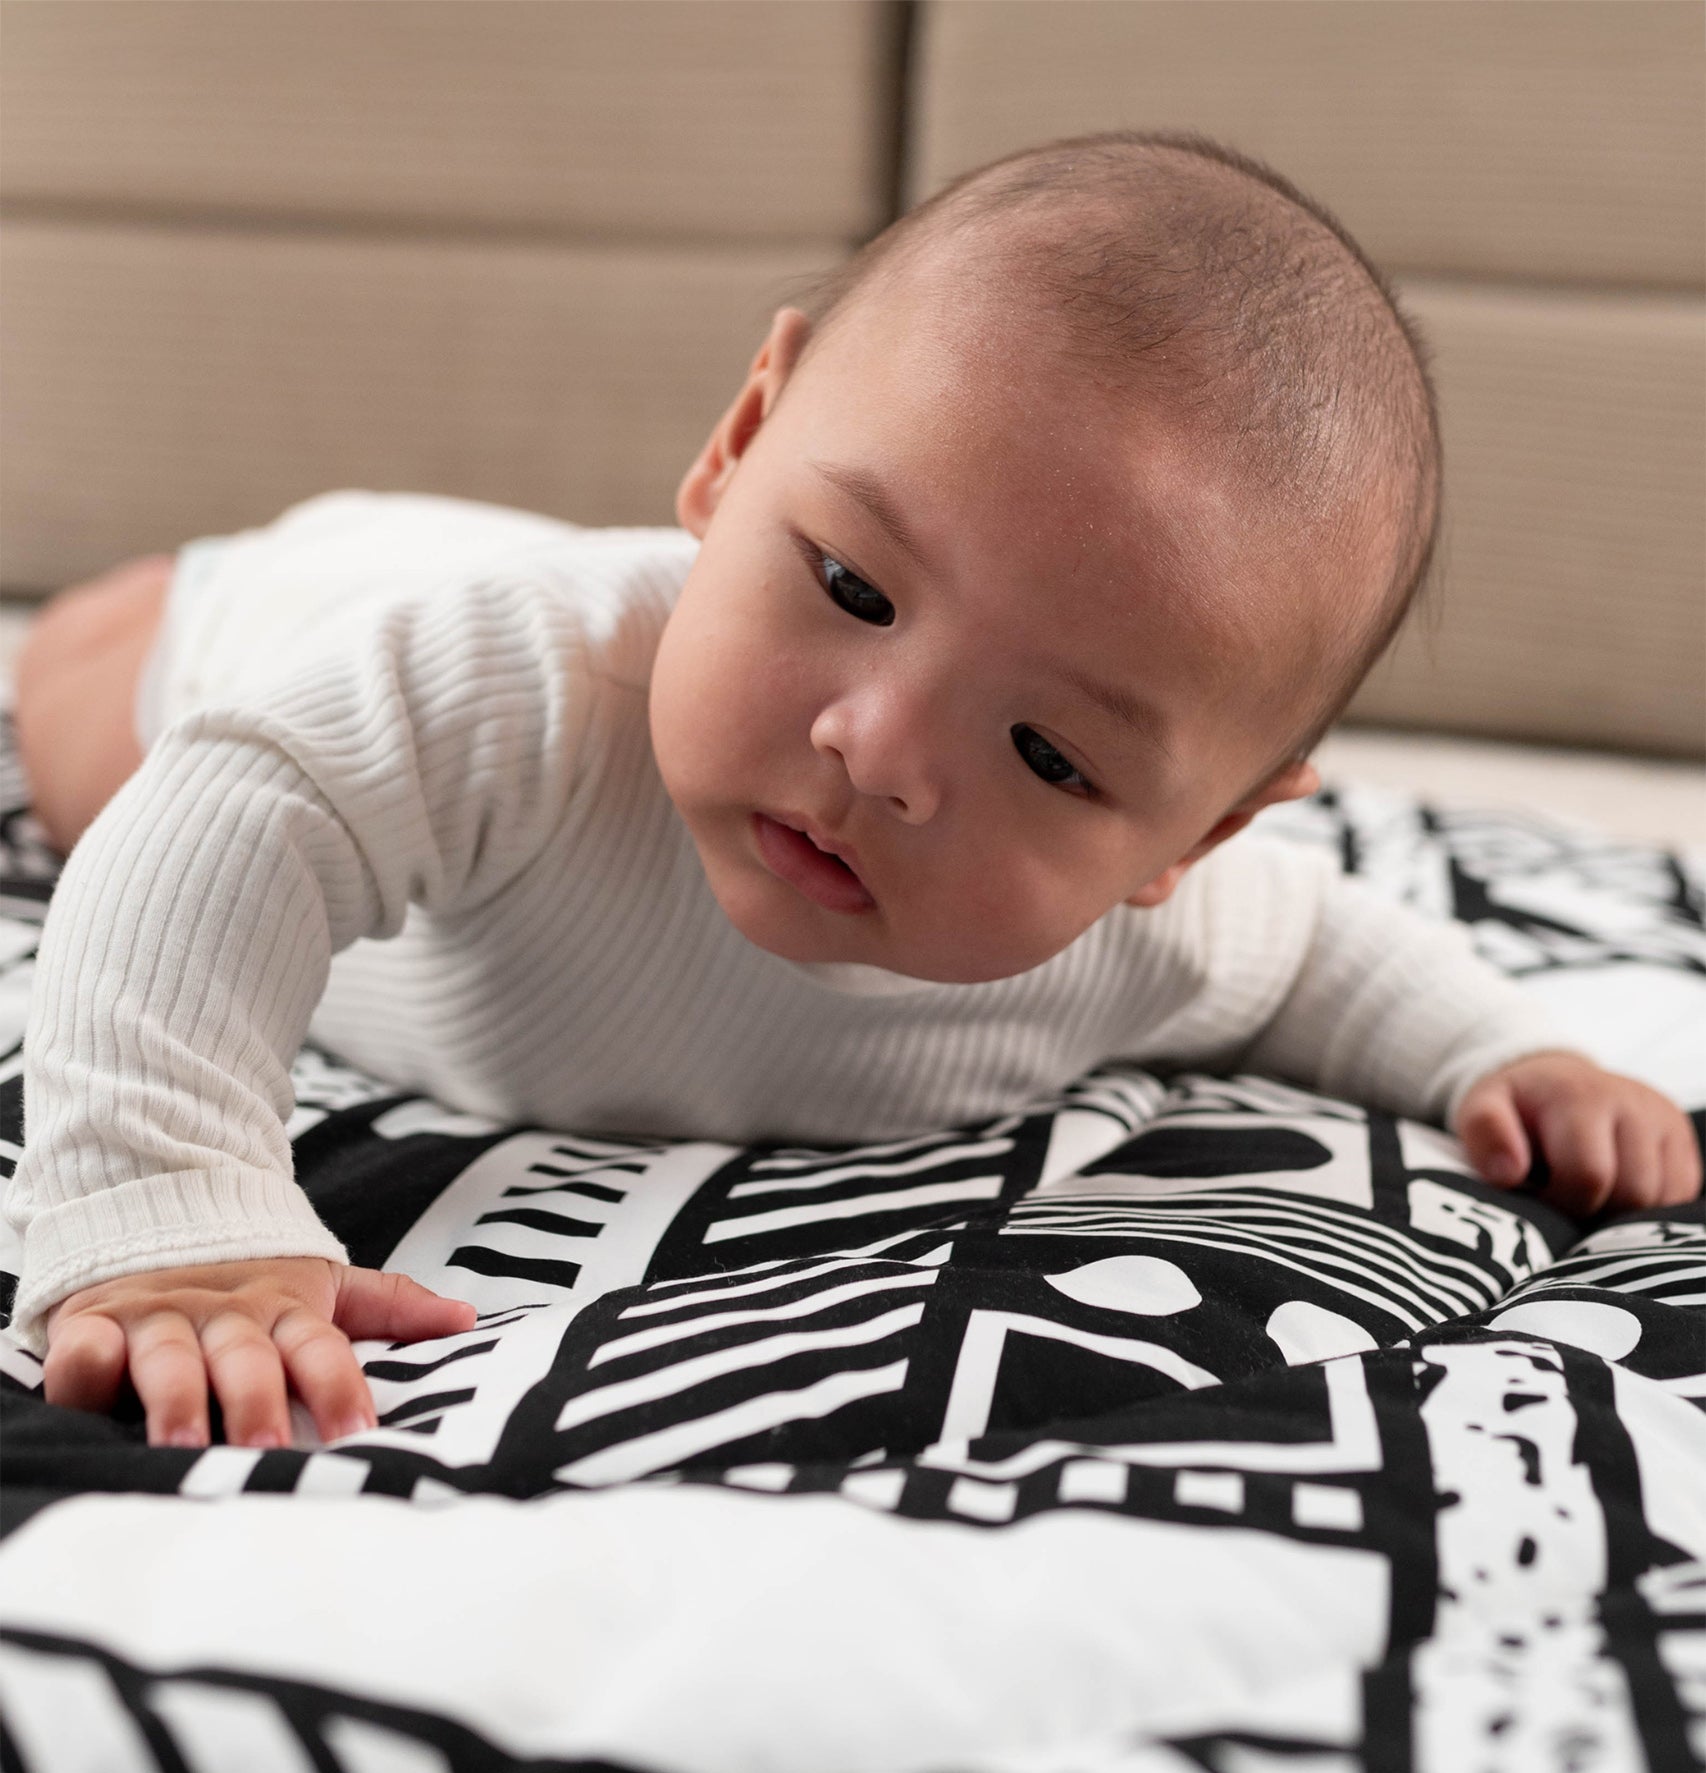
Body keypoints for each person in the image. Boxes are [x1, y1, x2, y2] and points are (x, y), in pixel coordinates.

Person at [8, 132, 1698, 1452]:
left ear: (1189, 841)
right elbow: (230, 820)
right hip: (295, 613)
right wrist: (177, 1210)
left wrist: (1509, 1057)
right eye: (852, 585)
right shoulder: (509, 684)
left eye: (1050, 755)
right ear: (738, 439)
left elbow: (1329, 952)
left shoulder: (1156, 938)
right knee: (87, 741)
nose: (880, 753)